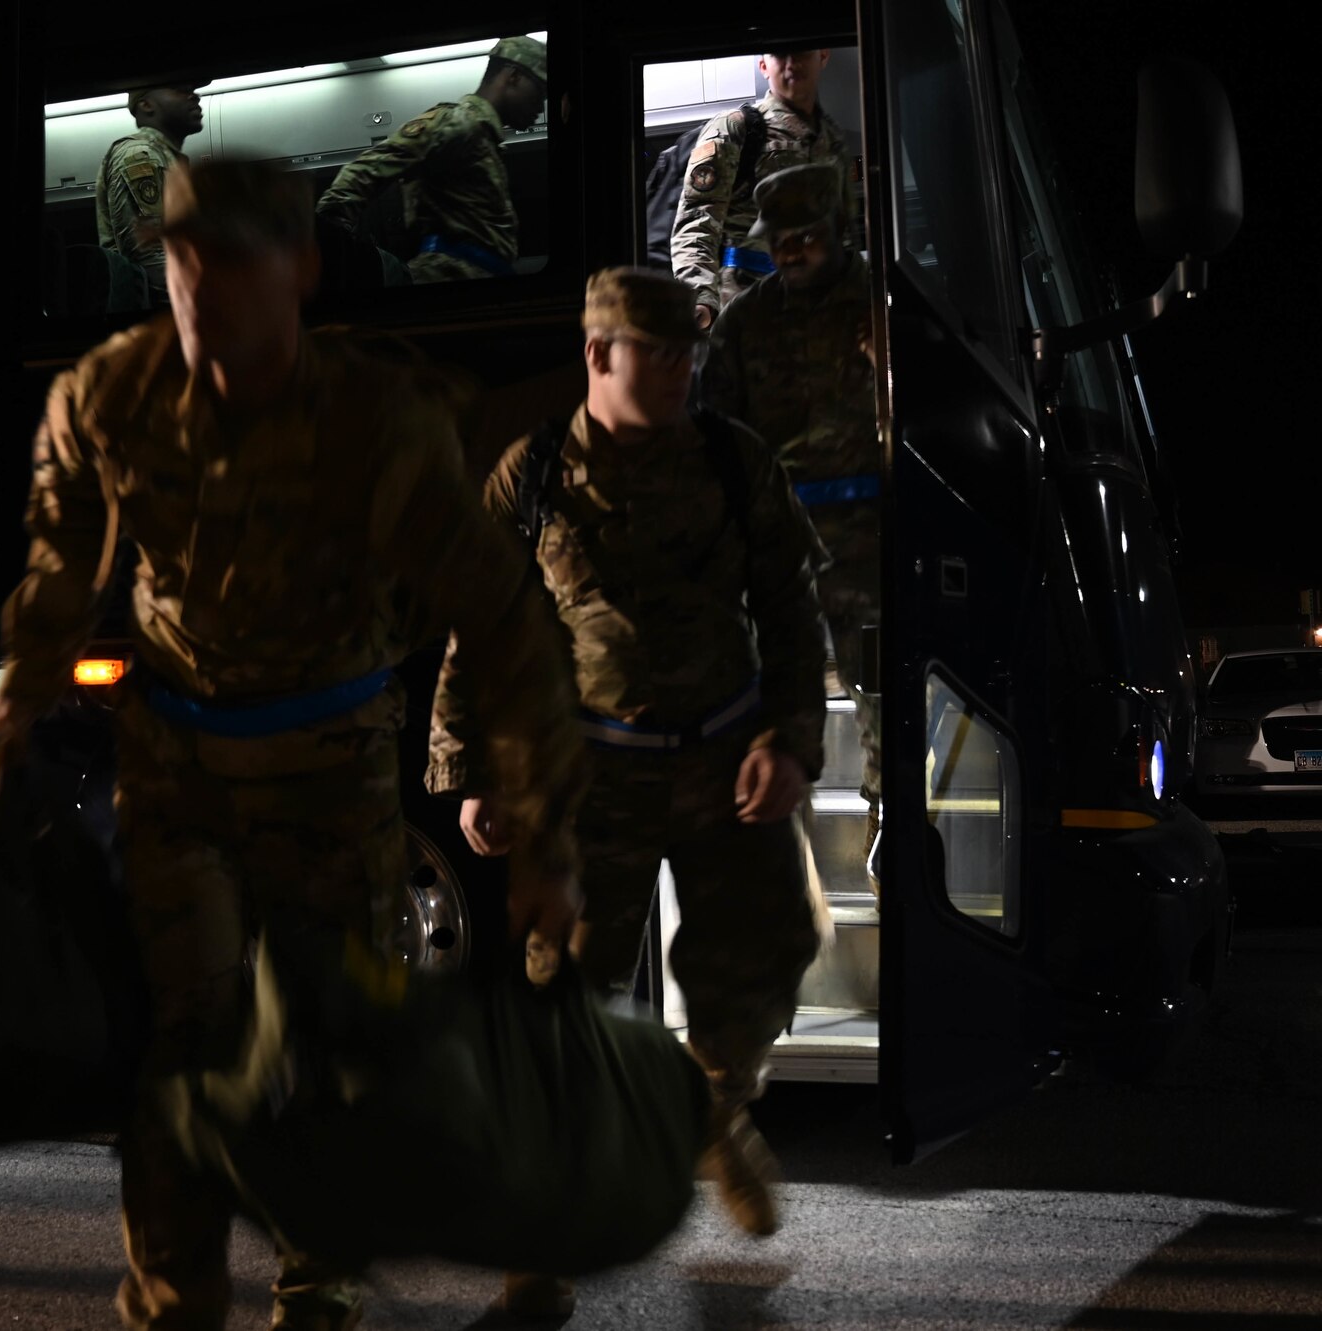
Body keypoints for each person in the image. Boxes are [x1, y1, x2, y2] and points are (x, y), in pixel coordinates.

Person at [0, 159, 587, 1331]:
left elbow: (501, 618)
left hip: (328, 768)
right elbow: (60, 569)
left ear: (302, 269)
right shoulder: (107, 394)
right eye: (183, 257)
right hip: (180, 770)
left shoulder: (373, 416)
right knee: (185, 1048)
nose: (205, 285)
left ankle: (362, 1270)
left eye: (240, 258)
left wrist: (544, 825)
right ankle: (178, 1306)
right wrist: (23, 685)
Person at [428, 269, 825, 1308]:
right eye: (663, 352)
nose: (686, 368)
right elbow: (483, 627)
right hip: (591, 771)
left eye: (691, 349)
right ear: (600, 354)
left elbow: (790, 611)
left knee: (765, 955)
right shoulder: (532, 476)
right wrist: (465, 765)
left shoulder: (735, 464)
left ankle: (710, 1107)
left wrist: (789, 740)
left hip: (724, 756)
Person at [702, 163, 882, 879]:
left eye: (806, 236)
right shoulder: (747, 321)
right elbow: (717, 429)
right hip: (783, 546)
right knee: (776, 699)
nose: (790, 252)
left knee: (877, 691)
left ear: (837, 230)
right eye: (780, 239)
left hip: (867, 539)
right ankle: (783, 854)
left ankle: (886, 821)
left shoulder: (878, 297)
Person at [314, 36, 547, 282]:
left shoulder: (484, 138)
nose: (540, 108)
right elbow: (366, 168)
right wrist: (330, 240)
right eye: (539, 91)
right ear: (513, 77)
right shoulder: (459, 122)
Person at [670, 51, 856, 329]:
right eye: (780, 54)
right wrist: (700, 299)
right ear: (763, 65)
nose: (792, 62)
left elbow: (843, 237)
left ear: (823, 56)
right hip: (746, 313)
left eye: (802, 50)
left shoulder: (833, 142)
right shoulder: (737, 129)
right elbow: (696, 224)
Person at [96, 81, 203, 303]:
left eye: (192, 90)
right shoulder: (141, 155)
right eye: (180, 89)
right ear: (146, 105)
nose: (194, 96)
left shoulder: (167, 160)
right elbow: (150, 258)